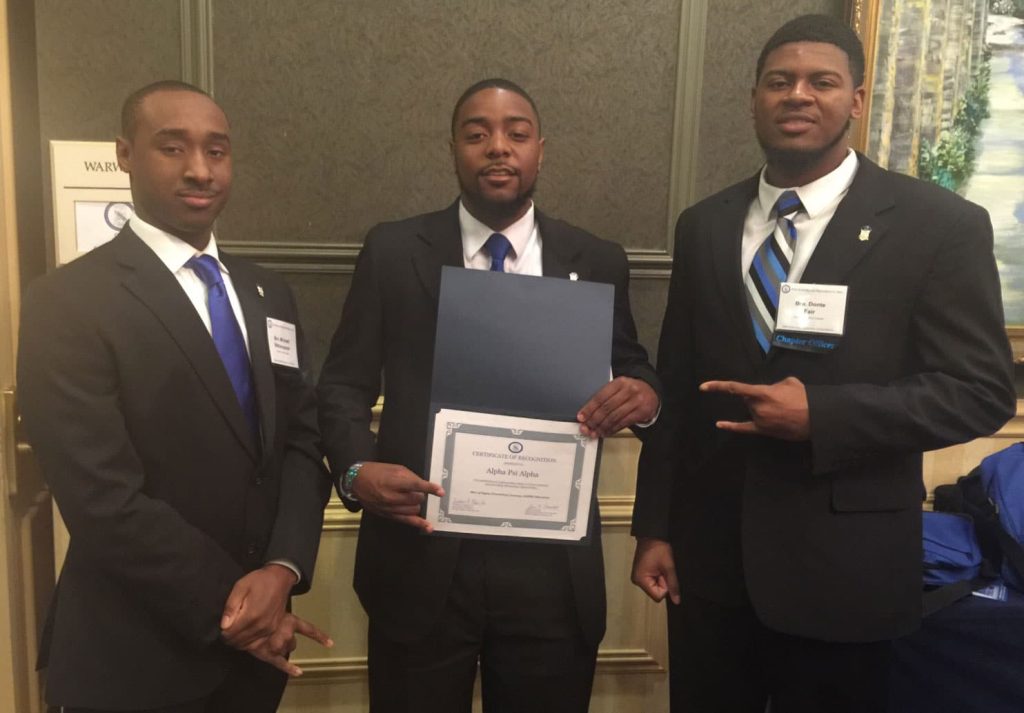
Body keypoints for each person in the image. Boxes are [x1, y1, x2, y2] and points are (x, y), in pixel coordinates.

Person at [630, 14, 1016, 713]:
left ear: (858, 101)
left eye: (821, 82)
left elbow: (981, 391)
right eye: (780, 82)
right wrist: (654, 525)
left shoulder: (938, 226)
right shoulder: (705, 224)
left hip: (847, 574)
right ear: (754, 98)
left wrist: (826, 415)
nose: (798, 95)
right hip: (712, 569)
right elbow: (680, 389)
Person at [317, 78, 660, 712]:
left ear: (540, 150)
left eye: (516, 134)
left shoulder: (596, 258)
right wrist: (355, 470)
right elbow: (342, 383)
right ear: (453, 148)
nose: (497, 147)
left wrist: (645, 395)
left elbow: (634, 365)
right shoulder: (394, 251)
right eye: (477, 134)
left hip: (550, 573)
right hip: (422, 557)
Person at [18, 80, 333, 713]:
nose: (199, 169)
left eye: (217, 151)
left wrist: (282, 571)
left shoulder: (269, 293)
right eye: (172, 147)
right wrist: (245, 606)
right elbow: (102, 497)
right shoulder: (68, 302)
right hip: (135, 658)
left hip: (252, 662)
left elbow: (303, 441)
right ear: (124, 155)